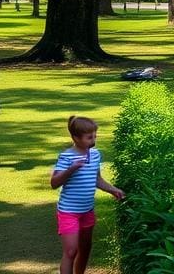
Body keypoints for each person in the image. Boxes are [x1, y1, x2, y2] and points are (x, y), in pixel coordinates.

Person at [51, 116, 125, 274]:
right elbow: (54, 183)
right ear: (76, 138)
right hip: (68, 212)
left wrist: (113, 189)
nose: (93, 140)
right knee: (71, 251)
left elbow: (97, 179)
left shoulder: (95, 155)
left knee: (85, 249)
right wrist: (71, 169)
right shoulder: (66, 157)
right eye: (89, 137)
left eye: (95, 136)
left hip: (87, 211)